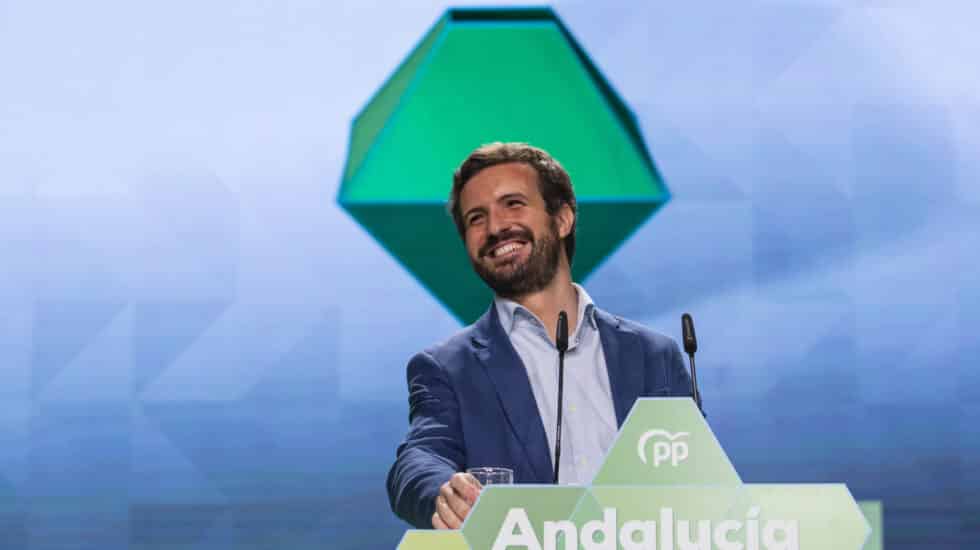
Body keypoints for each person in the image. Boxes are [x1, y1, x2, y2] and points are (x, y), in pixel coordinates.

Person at [386, 142, 696, 529]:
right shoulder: (446, 368)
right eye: (476, 218)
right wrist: (443, 491)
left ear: (562, 219)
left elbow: (698, 485)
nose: (496, 227)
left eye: (513, 203)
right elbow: (418, 460)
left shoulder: (654, 357)